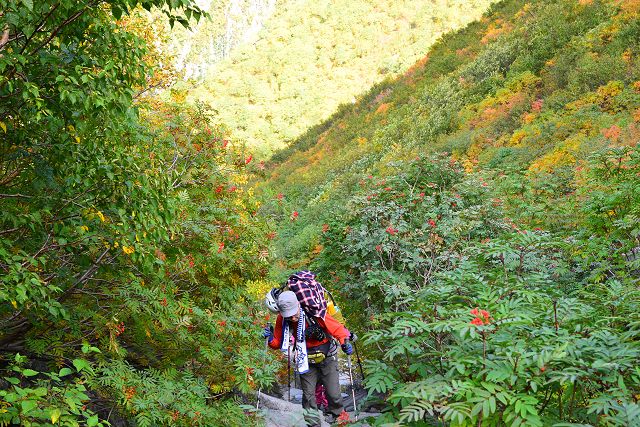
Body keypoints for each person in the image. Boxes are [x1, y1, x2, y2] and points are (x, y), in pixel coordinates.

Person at [263, 290, 353, 426]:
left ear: (298, 306)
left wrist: (344, 343)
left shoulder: (315, 311)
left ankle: (340, 420)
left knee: (333, 394)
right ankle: (313, 424)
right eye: (288, 316)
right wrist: (269, 338)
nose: (292, 319)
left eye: (293, 315)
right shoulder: (283, 319)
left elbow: (338, 329)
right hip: (305, 359)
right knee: (308, 396)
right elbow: (277, 343)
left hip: (327, 356)